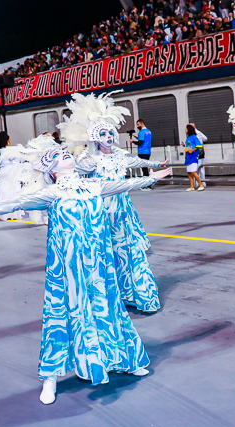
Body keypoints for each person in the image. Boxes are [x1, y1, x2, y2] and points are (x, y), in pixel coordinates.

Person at [0, 147, 172, 405]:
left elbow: (125, 184)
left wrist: (153, 178)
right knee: (62, 314)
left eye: (67, 153)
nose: (67, 155)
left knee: (107, 307)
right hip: (67, 267)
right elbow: (16, 203)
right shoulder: (51, 193)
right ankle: (51, 378)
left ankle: (124, 359)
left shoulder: (95, 185)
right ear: (52, 170)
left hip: (99, 263)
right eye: (61, 156)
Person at [65, 92, 168, 312]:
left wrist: (158, 164)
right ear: (95, 138)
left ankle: (135, 293)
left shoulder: (120, 154)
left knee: (127, 251)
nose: (108, 136)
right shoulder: (90, 160)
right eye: (103, 133)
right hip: (100, 212)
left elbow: (138, 161)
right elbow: (71, 172)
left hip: (121, 211)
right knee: (105, 251)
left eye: (110, 132)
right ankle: (108, 298)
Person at [0, 131, 24, 221]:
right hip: (11, 173)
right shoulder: (8, 151)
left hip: (3, 173)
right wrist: (19, 147)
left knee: (3, 193)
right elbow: (18, 158)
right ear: (7, 141)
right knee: (13, 192)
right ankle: (14, 214)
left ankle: (2, 213)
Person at [132, 119, 154, 191]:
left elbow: (140, 143)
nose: (137, 126)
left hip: (142, 152)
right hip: (148, 152)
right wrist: (138, 138)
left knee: (144, 169)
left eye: (138, 124)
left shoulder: (141, 132)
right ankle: (148, 184)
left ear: (142, 124)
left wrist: (133, 141)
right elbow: (145, 140)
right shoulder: (148, 131)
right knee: (145, 168)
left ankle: (147, 185)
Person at [183, 125, 205, 191]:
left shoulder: (194, 137)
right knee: (189, 172)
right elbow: (188, 145)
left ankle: (201, 185)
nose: (185, 130)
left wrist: (192, 150)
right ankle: (192, 186)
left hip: (193, 156)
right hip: (188, 157)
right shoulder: (188, 138)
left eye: (186, 128)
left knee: (193, 172)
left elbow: (199, 145)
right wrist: (184, 145)